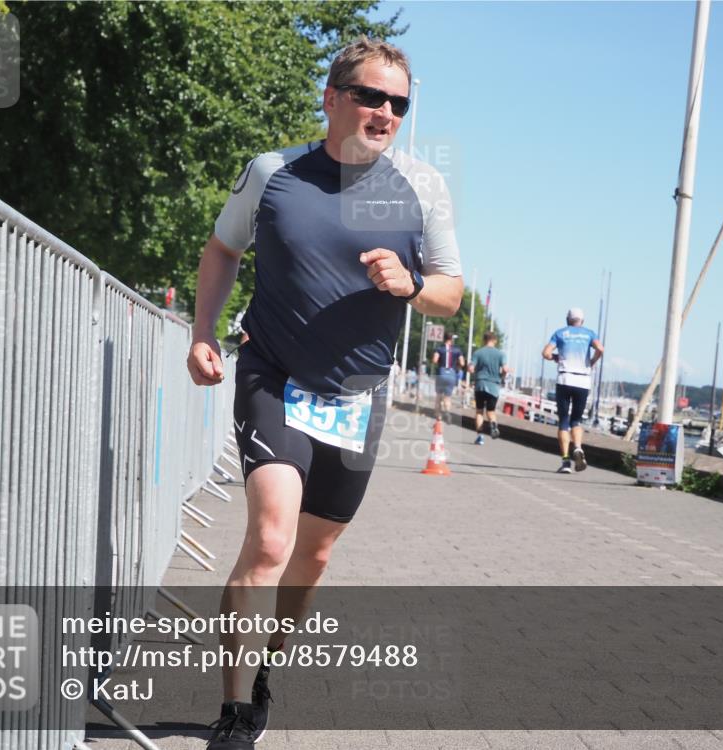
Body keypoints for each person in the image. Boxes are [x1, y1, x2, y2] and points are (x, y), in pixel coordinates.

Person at [186, 37, 463, 749]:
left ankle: (269, 670)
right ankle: (235, 709)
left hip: (358, 396)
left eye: (399, 103)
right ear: (333, 97)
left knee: (314, 555)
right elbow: (223, 248)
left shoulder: (422, 186)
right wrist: (203, 331)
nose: (386, 112)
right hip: (272, 374)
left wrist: (412, 286)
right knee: (272, 537)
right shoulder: (273, 172)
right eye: (372, 96)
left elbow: (452, 294)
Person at [541, 308, 603, 473]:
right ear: (582, 321)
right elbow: (600, 349)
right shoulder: (589, 333)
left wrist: (555, 357)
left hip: (565, 378)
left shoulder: (560, 333)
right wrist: (592, 361)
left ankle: (566, 462)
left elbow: (546, 353)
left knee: (563, 422)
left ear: (567, 320)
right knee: (576, 420)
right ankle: (577, 447)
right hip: (582, 380)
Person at [468, 331, 508, 444]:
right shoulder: (501, 354)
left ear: (484, 340)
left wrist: (471, 369)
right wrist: (502, 377)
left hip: (480, 384)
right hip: (494, 386)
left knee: (479, 411)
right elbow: (505, 369)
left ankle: (480, 437)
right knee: (491, 412)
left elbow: (471, 367)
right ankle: (493, 424)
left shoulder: (478, 353)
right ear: (495, 340)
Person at [432, 332, 464, 421]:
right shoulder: (457, 350)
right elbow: (462, 363)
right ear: (452, 339)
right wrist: (457, 365)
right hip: (452, 374)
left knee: (438, 396)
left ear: (444, 338)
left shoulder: (439, 349)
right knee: (448, 396)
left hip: (441, 373)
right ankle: (447, 411)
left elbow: (435, 360)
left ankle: (438, 416)